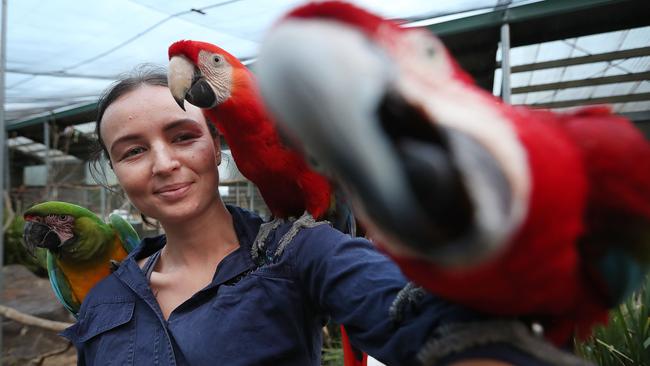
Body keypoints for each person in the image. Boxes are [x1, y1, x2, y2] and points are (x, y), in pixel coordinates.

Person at [61, 66, 587, 366]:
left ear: (216, 147)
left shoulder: (298, 250)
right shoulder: (103, 298)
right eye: (132, 151)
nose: (164, 163)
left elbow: (410, 317)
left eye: (183, 136)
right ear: (113, 171)